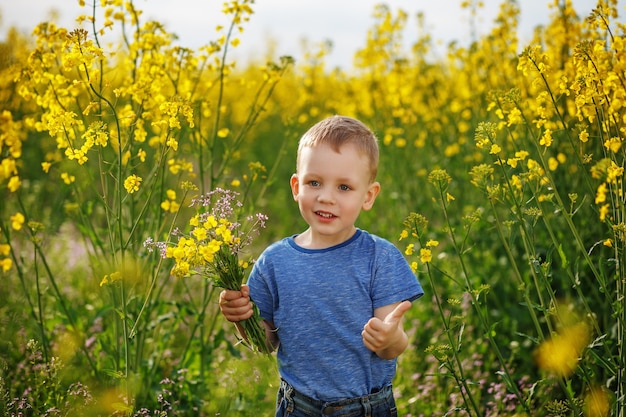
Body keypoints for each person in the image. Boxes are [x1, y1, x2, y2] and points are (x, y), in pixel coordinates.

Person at [219, 115, 424, 417]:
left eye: (344, 187)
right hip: (297, 408)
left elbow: (391, 346)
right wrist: (241, 318)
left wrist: (390, 338)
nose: (326, 197)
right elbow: (266, 343)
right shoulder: (274, 262)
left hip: (367, 409)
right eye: (314, 182)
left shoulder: (380, 257)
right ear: (296, 187)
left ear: (368, 196)